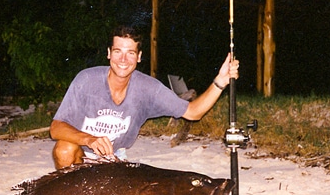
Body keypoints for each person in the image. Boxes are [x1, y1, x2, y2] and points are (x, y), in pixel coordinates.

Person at [50, 26, 239, 169]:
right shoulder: (86, 79)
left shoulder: (149, 88)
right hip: (81, 154)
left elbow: (193, 113)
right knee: (63, 149)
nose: (123, 60)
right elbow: (56, 128)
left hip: (115, 158)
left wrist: (220, 81)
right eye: (118, 52)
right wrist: (89, 139)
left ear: (139, 57)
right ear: (108, 53)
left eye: (130, 53)